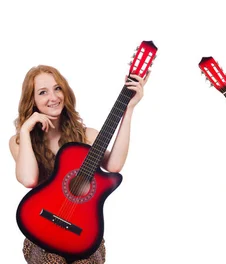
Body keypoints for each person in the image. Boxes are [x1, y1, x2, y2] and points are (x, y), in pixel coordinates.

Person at [9, 65, 148, 264]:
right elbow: (29, 179)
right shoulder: (20, 142)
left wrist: (129, 108)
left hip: (83, 233)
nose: (53, 97)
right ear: (32, 101)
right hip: (40, 230)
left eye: (57, 88)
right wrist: (25, 131)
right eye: (42, 92)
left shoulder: (87, 136)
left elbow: (114, 166)